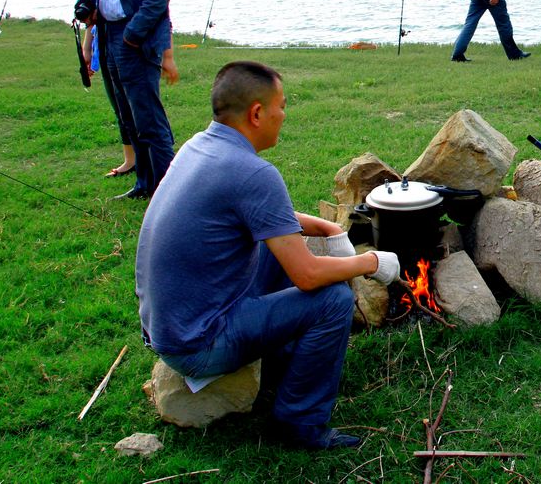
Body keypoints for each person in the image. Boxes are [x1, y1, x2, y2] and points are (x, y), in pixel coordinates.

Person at [135, 61, 401, 449]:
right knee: (332, 299)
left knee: (276, 246)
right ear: (257, 113)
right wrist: (373, 263)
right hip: (198, 343)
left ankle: (286, 356)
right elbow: (308, 275)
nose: (284, 114)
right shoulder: (253, 173)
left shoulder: (201, 146)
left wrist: (325, 227)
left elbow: (267, 217)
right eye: (282, 105)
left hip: (168, 326)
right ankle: (300, 425)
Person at [84, 0, 175, 200]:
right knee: (127, 117)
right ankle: (144, 184)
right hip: (110, 37)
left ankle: (167, 193)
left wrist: (133, 35)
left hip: (131, 40)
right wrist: (91, 12)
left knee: (149, 120)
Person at [82, 24, 180, 177]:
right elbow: (94, 12)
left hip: (136, 46)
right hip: (108, 44)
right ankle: (135, 166)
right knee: (122, 111)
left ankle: (166, 175)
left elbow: (160, 13)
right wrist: (87, 48)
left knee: (148, 114)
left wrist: (168, 56)